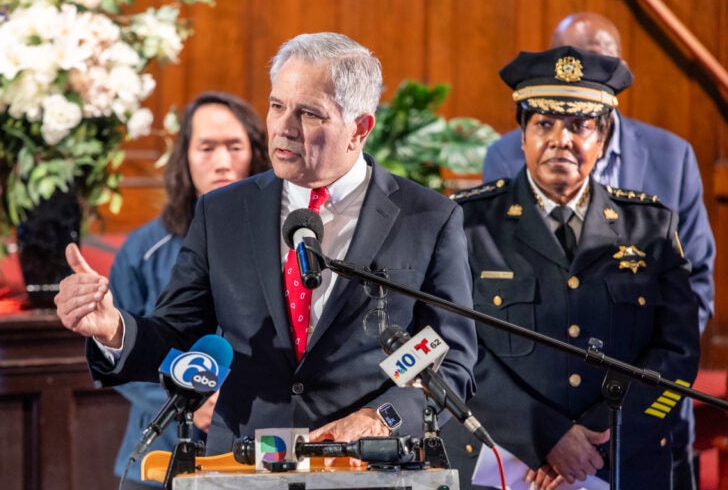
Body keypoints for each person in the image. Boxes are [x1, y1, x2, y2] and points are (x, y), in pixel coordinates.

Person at [55, 32, 478, 463]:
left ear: (360, 128)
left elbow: (451, 361)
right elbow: (177, 333)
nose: (283, 128)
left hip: (366, 463)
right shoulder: (223, 212)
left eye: (309, 114)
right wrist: (113, 329)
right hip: (242, 464)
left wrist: (380, 417)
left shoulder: (427, 218)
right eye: (277, 106)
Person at [441, 46, 700, 490]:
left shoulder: (652, 228)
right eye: (544, 124)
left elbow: (677, 353)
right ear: (522, 136)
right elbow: (451, 346)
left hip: (619, 463)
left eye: (580, 126)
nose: (561, 139)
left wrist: (592, 445)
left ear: (601, 141)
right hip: (501, 465)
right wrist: (544, 436)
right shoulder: (466, 224)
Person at [110, 91, 270, 488]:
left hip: (256, 457)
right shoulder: (144, 249)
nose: (222, 162)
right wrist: (184, 400)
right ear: (184, 156)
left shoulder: (280, 241)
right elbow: (121, 352)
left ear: (256, 153)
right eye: (206, 147)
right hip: (160, 458)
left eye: (235, 146)